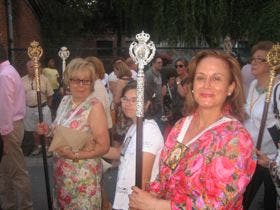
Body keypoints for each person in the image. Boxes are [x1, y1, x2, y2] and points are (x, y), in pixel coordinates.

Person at [129, 49, 256, 209]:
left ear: (230, 87)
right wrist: (147, 197)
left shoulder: (237, 138)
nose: (207, 85)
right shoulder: (181, 126)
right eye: (200, 78)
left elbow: (217, 203)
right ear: (193, 85)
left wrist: (156, 205)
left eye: (216, 78)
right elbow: (164, 177)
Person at [37, 58, 110, 209]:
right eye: (76, 80)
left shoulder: (94, 107)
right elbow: (60, 130)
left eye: (86, 81)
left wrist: (75, 155)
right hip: (62, 174)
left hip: (83, 177)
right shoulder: (65, 101)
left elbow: (104, 147)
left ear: (92, 82)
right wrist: (48, 130)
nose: (80, 85)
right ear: (68, 81)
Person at [103, 80, 164, 210]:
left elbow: (144, 177)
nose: (128, 104)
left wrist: (136, 205)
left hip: (136, 202)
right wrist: (96, 149)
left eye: (135, 100)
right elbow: (121, 152)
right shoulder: (135, 126)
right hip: (126, 197)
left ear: (146, 104)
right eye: (125, 99)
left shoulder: (149, 130)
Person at [243, 41, 279, 210]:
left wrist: (273, 161)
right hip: (250, 157)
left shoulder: (278, 89)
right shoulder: (253, 85)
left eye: (260, 59)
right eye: (253, 58)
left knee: (264, 203)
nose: (254, 62)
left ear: (272, 63)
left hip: (268, 160)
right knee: (246, 201)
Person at [0, 44, 33, 209]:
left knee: (17, 171)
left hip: (9, 128)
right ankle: (9, 205)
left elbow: (4, 109)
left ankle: (26, 206)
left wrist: (5, 137)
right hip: (12, 126)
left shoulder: (4, 75)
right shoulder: (10, 71)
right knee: (6, 171)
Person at [22, 60, 53, 156]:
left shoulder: (44, 79)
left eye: (36, 67)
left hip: (43, 108)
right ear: (27, 69)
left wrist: (48, 107)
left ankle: (47, 148)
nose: (34, 69)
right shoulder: (22, 80)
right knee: (34, 130)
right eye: (31, 67)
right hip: (29, 108)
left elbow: (50, 94)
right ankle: (38, 147)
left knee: (46, 129)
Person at [145, 56, 165, 133]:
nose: (161, 64)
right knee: (153, 128)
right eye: (159, 62)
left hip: (159, 105)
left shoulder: (159, 74)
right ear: (153, 63)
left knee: (159, 127)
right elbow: (147, 91)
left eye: (161, 62)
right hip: (152, 107)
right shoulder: (149, 74)